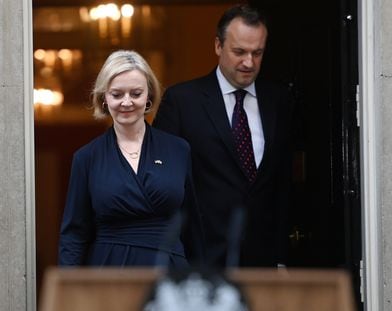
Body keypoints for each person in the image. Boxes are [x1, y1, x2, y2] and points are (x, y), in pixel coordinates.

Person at [153, 4, 293, 268]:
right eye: (239, 52)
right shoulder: (182, 101)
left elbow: (281, 186)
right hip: (200, 260)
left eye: (257, 53)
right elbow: (165, 186)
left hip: (261, 263)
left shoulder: (278, 101)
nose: (249, 62)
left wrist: (280, 259)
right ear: (218, 46)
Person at [58, 50, 204, 268]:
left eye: (135, 93)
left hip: (169, 274)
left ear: (149, 97)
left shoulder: (178, 150)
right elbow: (74, 234)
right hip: (110, 272)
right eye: (117, 94)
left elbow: (192, 226)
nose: (127, 102)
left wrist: (201, 284)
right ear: (104, 98)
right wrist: (69, 293)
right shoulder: (86, 157)